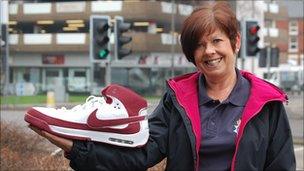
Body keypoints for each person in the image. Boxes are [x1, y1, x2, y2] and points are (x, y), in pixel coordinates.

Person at [30, 2, 296, 171]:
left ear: (235, 42)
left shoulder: (265, 103)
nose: (209, 51)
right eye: (200, 45)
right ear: (191, 53)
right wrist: (78, 150)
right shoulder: (178, 99)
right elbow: (142, 154)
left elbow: (281, 166)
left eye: (217, 41)